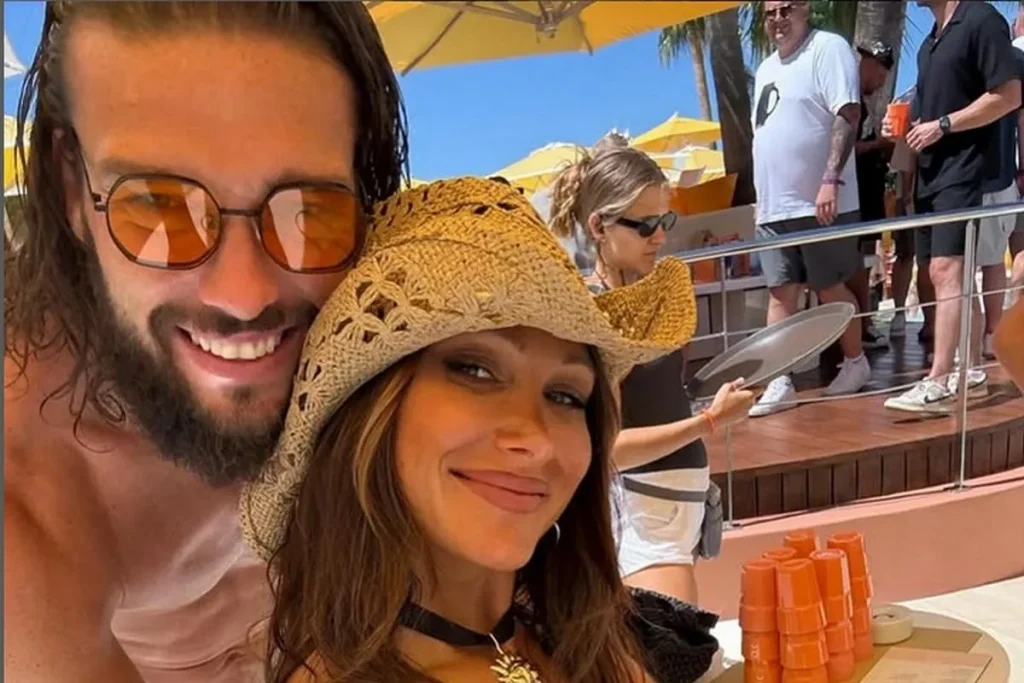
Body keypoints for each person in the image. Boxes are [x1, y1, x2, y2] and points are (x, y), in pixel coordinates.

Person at [4, 3, 408, 681]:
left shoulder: (371, 327)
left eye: (307, 208)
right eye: (158, 205)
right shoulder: (25, 491)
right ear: (73, 186)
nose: (243, 295)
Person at [240, 177, 721, 683]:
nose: (536, 440)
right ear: (374, 409)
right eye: (475, 370)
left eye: (565, 396)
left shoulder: (592, 648)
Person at [547, 140, 754, 605]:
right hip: (645, 517)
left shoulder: (650, 299)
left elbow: (657, 396)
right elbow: (608, 449)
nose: (660, 236)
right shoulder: (596, 317)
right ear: (598, 225)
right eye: (645, 225)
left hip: (671, 512)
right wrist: (710, 421)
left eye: (666, 221)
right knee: (673, 645)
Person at [882, 0, 1021, 413]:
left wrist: (944, 125)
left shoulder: (981, 20)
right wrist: (904, 128)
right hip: (930, 174)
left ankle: (938, 379)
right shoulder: (929, 44)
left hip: (967, 170)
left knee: (946, 271)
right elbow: (928, 117)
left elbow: (1009, 95)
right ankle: (971, 367)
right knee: (944, 275)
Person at [749, 0, 871, 418]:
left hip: (820, 201)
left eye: (786, 9)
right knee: (779, 292)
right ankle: (779, 379)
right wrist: (761, 199)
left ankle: (855, 361)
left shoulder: (828, 48)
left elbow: (848, 113)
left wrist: (830, 179)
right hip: (774, 208)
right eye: (770, 13)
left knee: (829, 287)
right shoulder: (765, 69)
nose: (778, 19)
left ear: (805, 10)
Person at [974, 46, 1024, 359]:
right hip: (997, 175)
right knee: (993, 258)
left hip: (997, 175)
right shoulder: (1014, 58)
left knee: (989, 259)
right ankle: (990, 334)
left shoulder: (1013, 58)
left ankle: (990, 332)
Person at [849, 40, 896, 351]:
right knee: (857, 260)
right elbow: (845, 150)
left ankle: (863, 323)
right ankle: (861, 326)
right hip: (854, 198)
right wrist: (880, 144)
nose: (880, 83)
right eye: (880, 75)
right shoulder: (850, 99)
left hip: (865, 196)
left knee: (864, 258)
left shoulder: (859, 100)